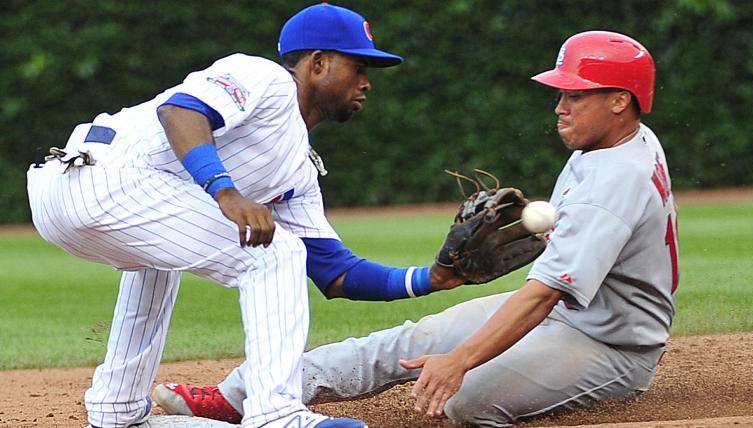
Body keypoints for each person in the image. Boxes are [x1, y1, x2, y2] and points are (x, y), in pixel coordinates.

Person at [154, 30, 679, 427]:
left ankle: (594, 391)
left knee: (465, 399)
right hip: (568, 316)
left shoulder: (613, 180)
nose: (561, 106)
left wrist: (462, 359)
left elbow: (543, 295)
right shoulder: (617, 140)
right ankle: (236, 395)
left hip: (611, 345)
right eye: (561, 92)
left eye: (577, 95)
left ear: (620, 100)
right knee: (408, 341)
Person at [26, 4, 465, 428]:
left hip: (94, 196)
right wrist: (224, 191)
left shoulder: (297, 170)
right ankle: (276, 414)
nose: (367, 83)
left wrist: (433, 278)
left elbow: (335, 272)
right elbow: (180, 111)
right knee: (275, 255)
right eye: (358, 67)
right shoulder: (266, 78)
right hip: (96, 178)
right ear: (317, 63)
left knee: (163, 264)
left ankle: (115, 408)